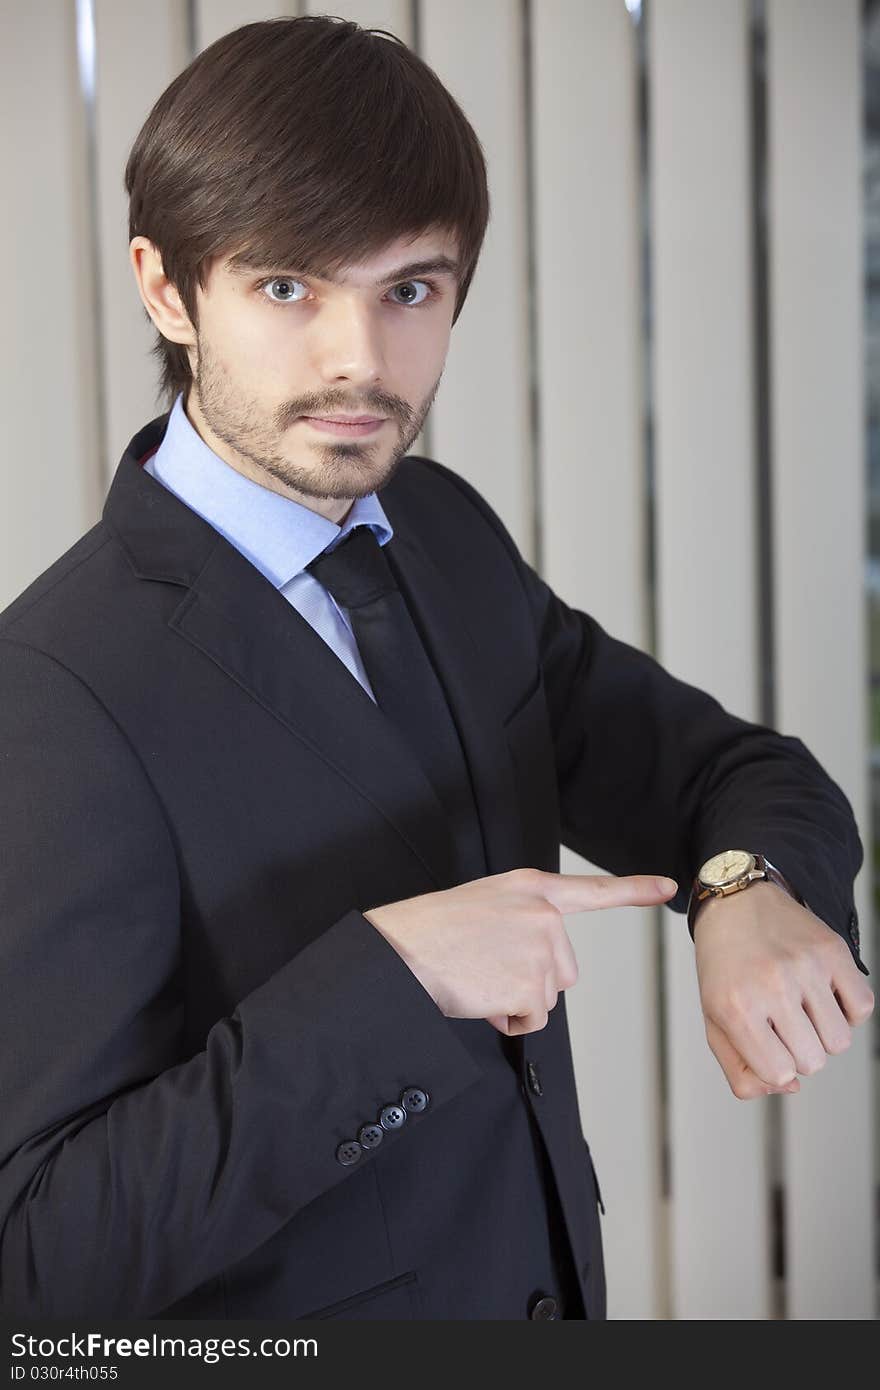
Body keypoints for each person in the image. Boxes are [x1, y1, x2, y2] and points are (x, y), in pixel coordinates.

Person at [0, 15, 872, 1322]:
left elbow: (729, 771)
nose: (361, 359)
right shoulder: (51, 691)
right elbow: (39, 1258)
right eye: (289, 286)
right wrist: (392, 985)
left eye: (409, 289)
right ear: (168, 288)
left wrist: (745, 885)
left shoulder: (445, 532)